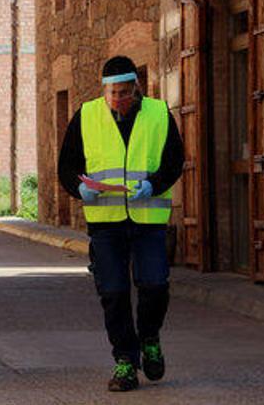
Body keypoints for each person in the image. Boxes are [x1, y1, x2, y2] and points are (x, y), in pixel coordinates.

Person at [58, 56, 184, 392]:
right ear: (104, 90)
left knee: (155, 286)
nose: (118, 100)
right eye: (112, 93)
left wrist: (153, 185)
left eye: (124, 93)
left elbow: (174, 161)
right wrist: (79, 187)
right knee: (113, 294)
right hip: (105, 224)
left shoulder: (159, 114)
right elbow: (67, 166)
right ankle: (125, 361)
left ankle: (150, 339)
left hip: (148, 221)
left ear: (136, 89)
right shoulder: (86, 115)